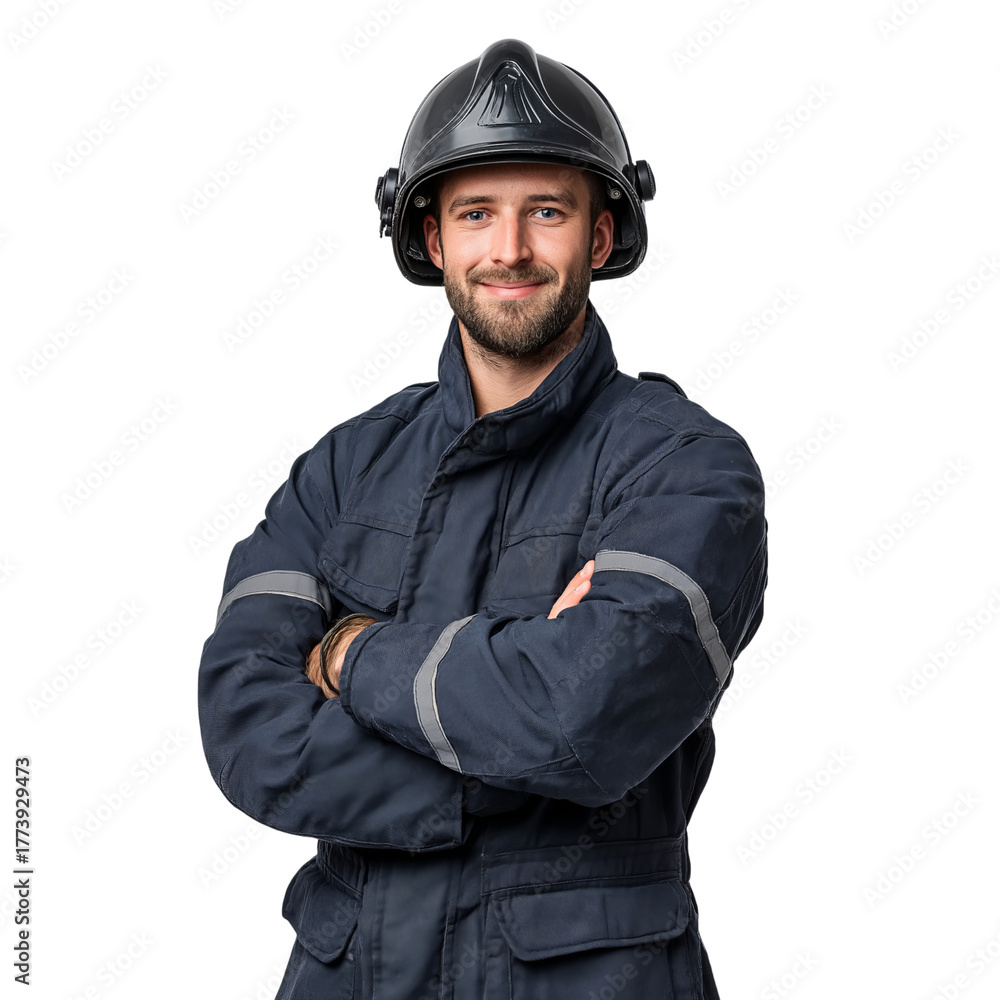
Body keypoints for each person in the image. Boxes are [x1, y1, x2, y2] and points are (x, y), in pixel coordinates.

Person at [198, 38, 767, 1000]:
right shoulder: (342, 469)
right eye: (476, 214)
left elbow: (583, 717)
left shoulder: (687, 468)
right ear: (431, 241)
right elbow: (248, 734)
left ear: (599, 236)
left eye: (546, 210)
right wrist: (522, 734)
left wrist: (345, 654)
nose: (509, 249)